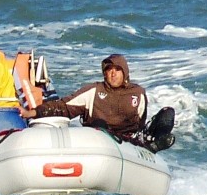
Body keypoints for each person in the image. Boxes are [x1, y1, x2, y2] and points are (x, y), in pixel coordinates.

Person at [21, 53, 175, 152]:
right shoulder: (94, 91)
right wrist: (32, 112)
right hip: (101, 141)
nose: (113, 73)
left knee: (168, 113)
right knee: (100, 124)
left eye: (117, 69)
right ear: (105, 73)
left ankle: (152, 145)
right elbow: (63, 107)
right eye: (109, 70)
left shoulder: (137, 93)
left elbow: (140, 121)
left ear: (125, 72)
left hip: (130, 140)